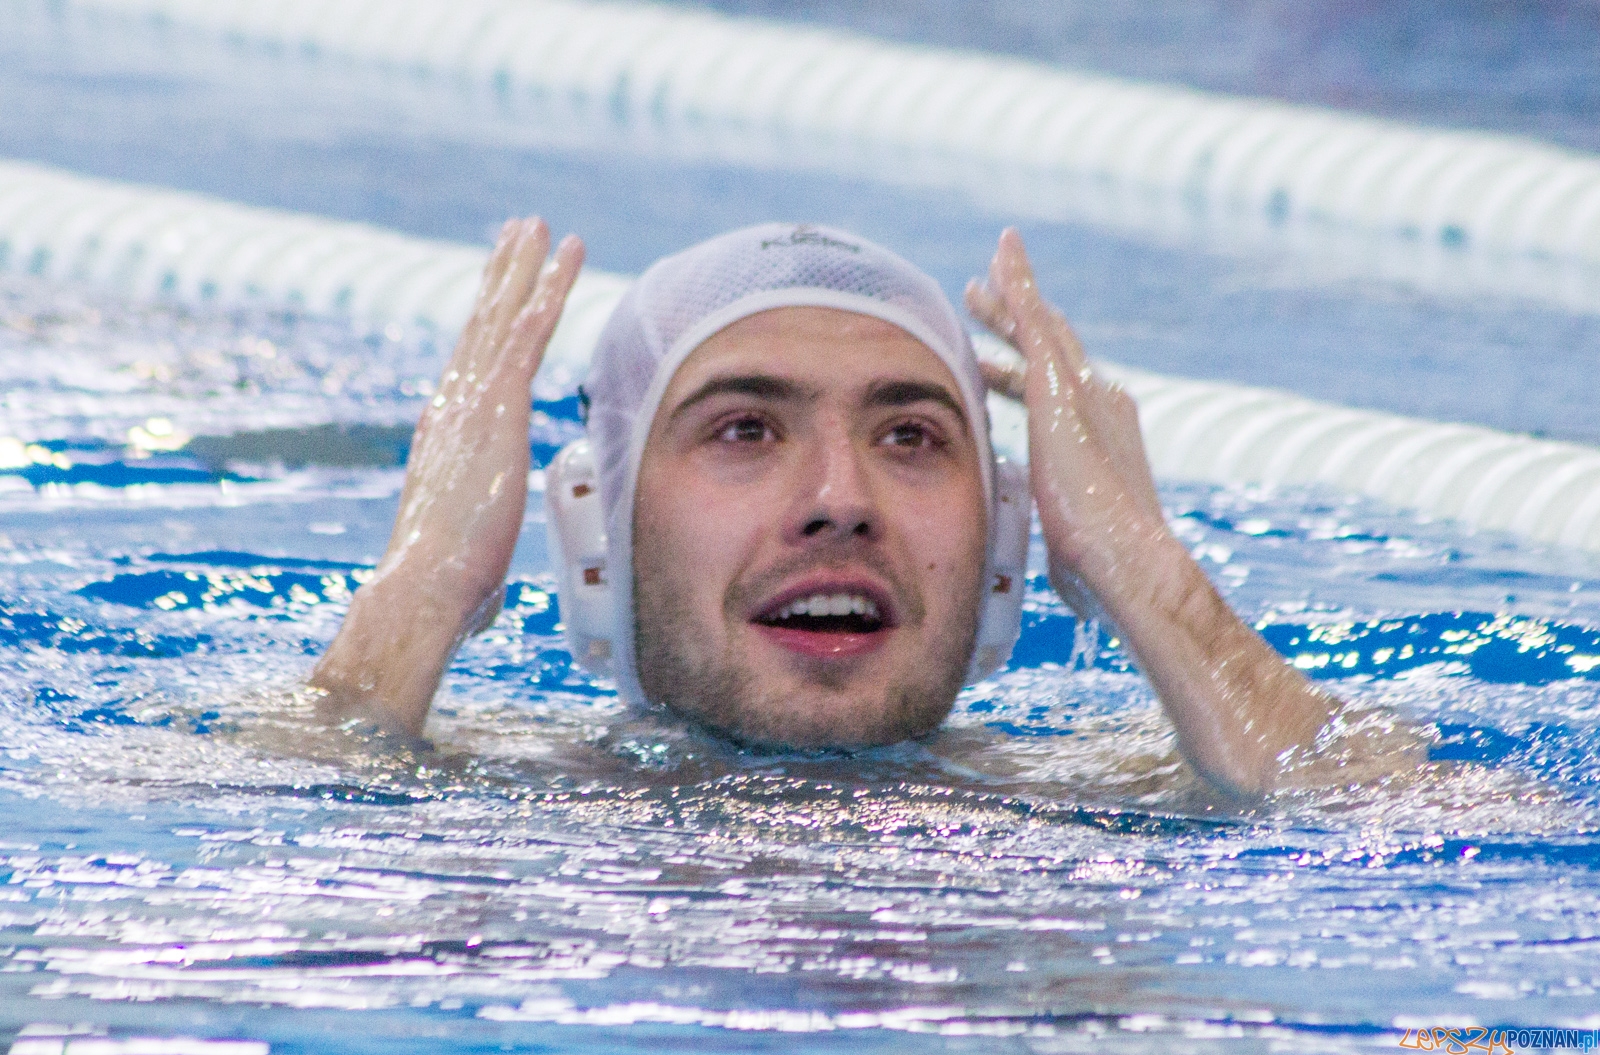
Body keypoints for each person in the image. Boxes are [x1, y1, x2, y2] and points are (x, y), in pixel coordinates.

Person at [309, 217, 1349, 799]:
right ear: (599, 528)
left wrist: (1146, 572)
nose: (840, 502)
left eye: (910, 437)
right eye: (745, 430)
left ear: (1005, 536)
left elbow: (1405, 818)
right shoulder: (494, 813)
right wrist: (424, 582)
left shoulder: (1105, 801)